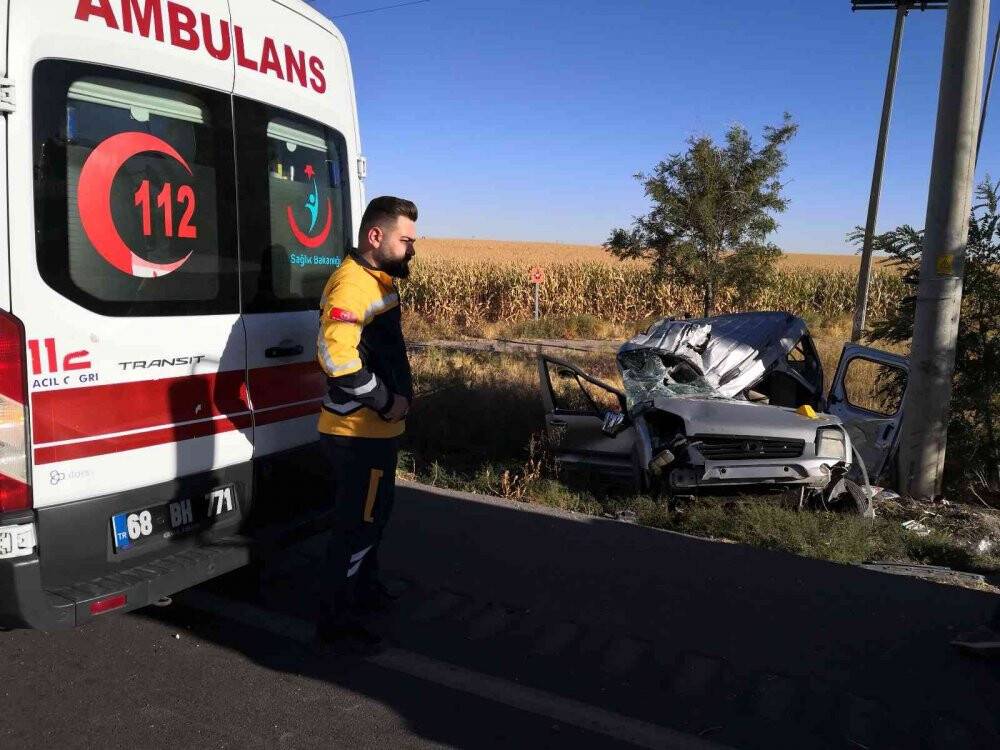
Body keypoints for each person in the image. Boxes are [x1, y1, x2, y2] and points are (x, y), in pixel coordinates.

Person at [314, 196, 417, 652]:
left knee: (375, 517)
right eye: (405, 240)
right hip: (358, 434)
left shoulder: (378, 279)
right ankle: (337, 621)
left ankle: (366, 590)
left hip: (377, 432)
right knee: (357, 526)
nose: (412, 249)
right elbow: (336, 357)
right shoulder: (353, 285)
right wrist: (383, 401)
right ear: (375, 237)